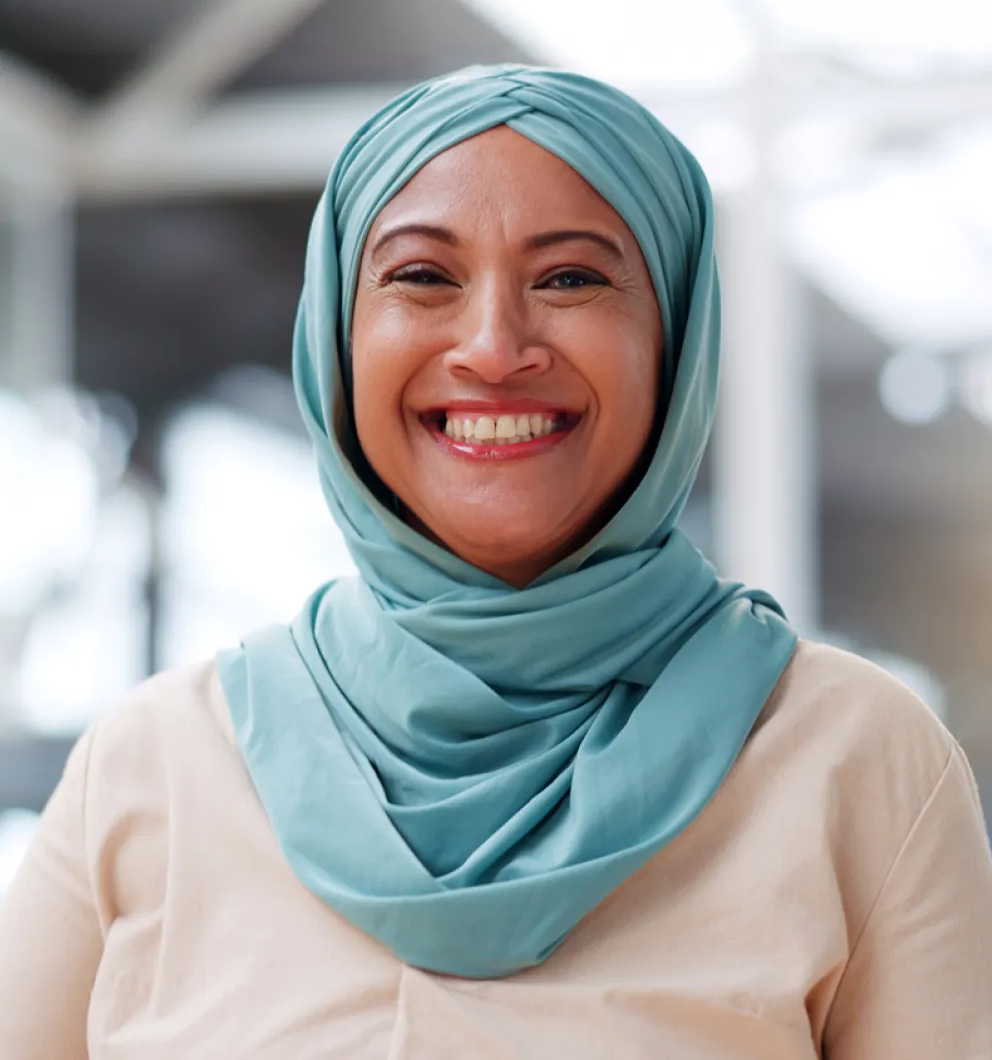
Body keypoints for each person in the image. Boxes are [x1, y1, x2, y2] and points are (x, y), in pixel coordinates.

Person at [1, 65, 990, 1058]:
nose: (491, 346)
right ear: (337, 341)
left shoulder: (851, 758)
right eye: (422, 277)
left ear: (675, 338)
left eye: (569, 278)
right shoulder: (151, 764)